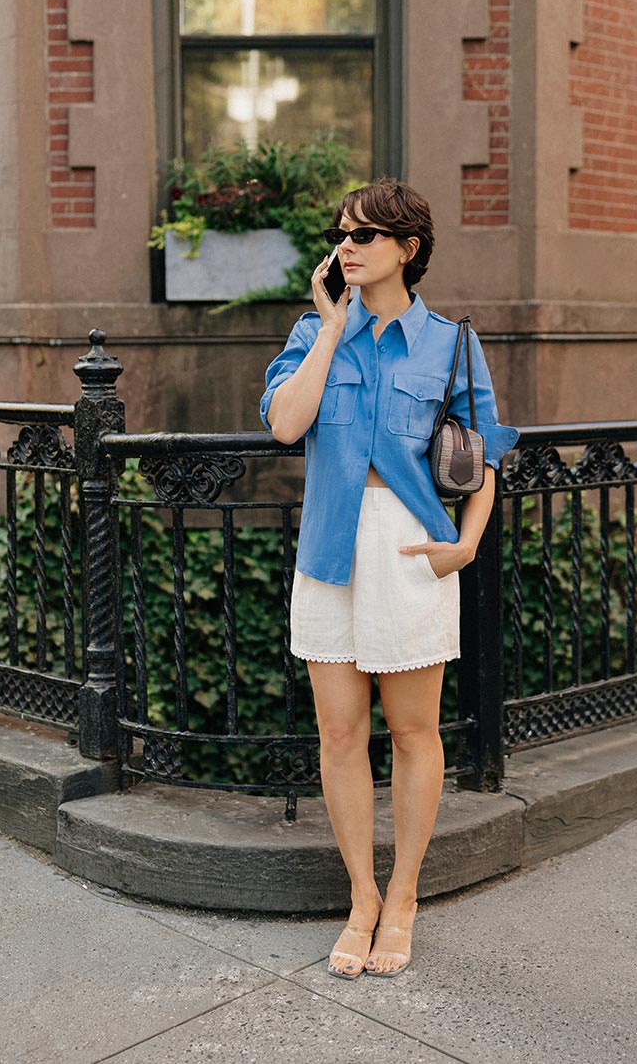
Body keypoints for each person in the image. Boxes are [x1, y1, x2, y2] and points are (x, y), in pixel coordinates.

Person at [259, 177, 519, 979]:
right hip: (329, 552)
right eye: (342, 233)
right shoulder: (312, 332)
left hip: (412, 550)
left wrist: (466, 547)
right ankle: (362, 896)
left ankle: (404, 894)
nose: (347, 246)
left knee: (412, 732)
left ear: (407, 249)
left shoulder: (452, 343)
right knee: (340, 733)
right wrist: (333, 330)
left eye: (365, 235)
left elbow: (483, 460)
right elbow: (285, 425)